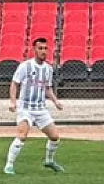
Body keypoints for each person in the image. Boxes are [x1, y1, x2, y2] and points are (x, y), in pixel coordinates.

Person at [4, 36, 65, 175]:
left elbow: (47, 88)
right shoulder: (25, 66)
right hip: (25, 108)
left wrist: (56, 101)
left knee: (55, 137)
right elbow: (14, 83)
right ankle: (9, 165)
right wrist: (13, 101)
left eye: (45, 48)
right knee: (22, 135)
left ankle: (49, 161)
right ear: (34, 50)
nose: (43, 51)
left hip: (41, 109)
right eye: (40, 48)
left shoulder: (48, 69)